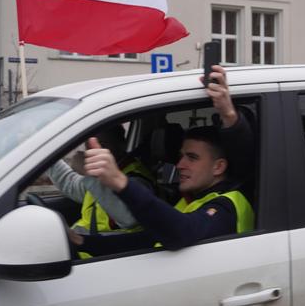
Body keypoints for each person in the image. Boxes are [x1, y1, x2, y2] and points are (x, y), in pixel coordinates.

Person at [73, 65, 255, 254]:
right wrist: (80, 242)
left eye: (192, 158)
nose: (179, 165)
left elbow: (181, 231)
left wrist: (120, 182)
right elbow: (146, 240)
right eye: (180, 156)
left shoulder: (225, 208)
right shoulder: (190, 200)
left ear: (218, 167)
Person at [47, 124, 155, 236]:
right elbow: (71, 185)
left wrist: (88, 174)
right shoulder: (104, 173)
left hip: (118, 249)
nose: (93, 151)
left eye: (102, 145)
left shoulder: (136, 178)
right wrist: (48, 155)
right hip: (89, 245)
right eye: (88, 146)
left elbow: (129, 219)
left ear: (121, 145)